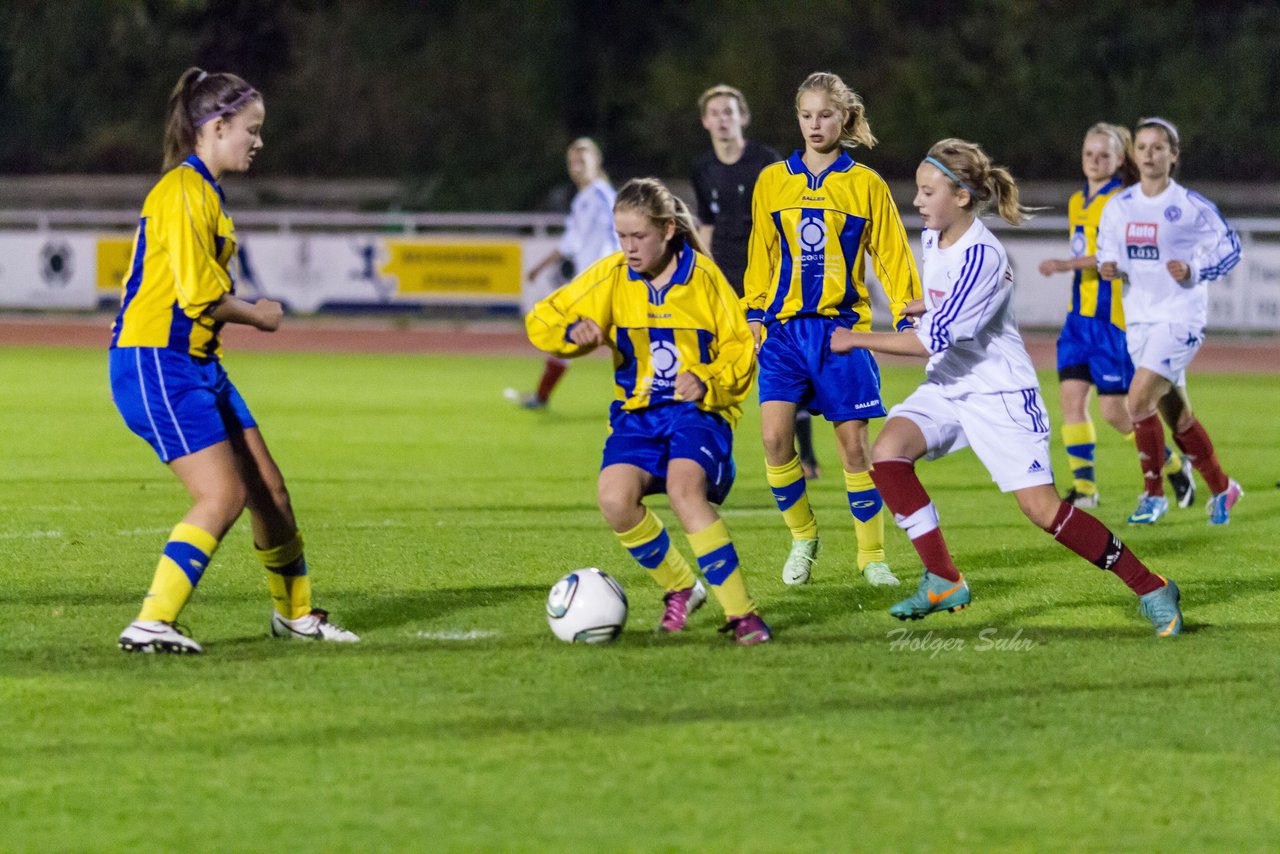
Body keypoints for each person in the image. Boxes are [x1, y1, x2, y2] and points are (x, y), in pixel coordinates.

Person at [830, 137, 1184, 637]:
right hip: (952, 383)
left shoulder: (983, 256)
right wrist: (928, 306)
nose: (917, 201)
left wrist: (854, 339)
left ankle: (1151, 586)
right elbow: (949, 314)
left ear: (961, 197)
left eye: (927, 191)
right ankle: (943, 578)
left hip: (1000, 395)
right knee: (887, 456)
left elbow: (933, 341)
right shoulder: (935, 238)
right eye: (918, 190)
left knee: (1042, 510)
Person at [111, 67, 358, 654]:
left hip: (196, 363)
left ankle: (295, 616)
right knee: (223, 496)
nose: (258, 141)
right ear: (216, 127)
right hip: (155, 362)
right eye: (251, 129)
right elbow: (199, 295)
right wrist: (259, 314)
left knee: (270, 491)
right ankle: (151, 623)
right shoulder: (179, 191)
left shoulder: (206, 193)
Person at [526, 177, 771, 645]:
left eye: (638, 236)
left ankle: (743, 615)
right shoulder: (611, 275)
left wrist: (707, 380)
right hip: (637, 416)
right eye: (621, 236)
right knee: (615, 499)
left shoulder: (704, 279)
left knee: (684, 490)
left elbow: (743, 346)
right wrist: (574, 332)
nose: (629, 247)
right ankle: (682, 587)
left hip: (699, 412)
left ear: (667, 230)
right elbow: (542, 319)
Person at [743, 71, 921, 588]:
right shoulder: (773, 180)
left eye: (825, 114)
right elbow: (761, 255)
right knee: (775, 439)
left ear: (844, 118)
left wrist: (907, 311)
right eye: (806, 115)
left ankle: (871, 557)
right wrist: (754, 312)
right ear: (797, 118)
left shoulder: (866, 185)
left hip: (841, 333)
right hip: (781, 333)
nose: (815, 124)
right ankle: (803, 538)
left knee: (852, 449)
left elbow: (891, 254)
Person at [1097, 117, 1244, 525]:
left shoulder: (1191, 206)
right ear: (1134, 155)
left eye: (1158, 147)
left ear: (1173, 155)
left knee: (1137, 399)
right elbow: (1105, 247)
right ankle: (1223, 488)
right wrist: (1107, 265)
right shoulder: (1120, 206)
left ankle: (1153, 495)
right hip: (1140, 321)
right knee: (1177, 418)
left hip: (1180, 320)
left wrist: (1195, 269)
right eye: (1142, 147)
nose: (1148, 154)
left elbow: (1230, 249)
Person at [1039, 123, 1194, 511]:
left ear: (1119, 159)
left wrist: (1065, 264)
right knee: (1071, 401)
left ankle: (1174, 465)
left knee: (1115, 413)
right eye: (1089, 154)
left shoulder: (1125, 200)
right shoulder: (1078, 200)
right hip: (1079, 320)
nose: (1094, 161)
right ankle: (1085, 490)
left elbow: (1114, 253)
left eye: (1103, 155)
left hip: (1113, 322)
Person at [691, 85, 823, 480]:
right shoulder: (701, 167)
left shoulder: (767, 162)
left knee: (780, 364)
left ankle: (809, 457)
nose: (722, 118)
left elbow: (789, 220)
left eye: (729, 111)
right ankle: (705, 454)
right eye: (715, 112)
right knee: (716, 364)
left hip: (769, 279)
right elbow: (707, 225)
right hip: (724, 277)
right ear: (705, 121)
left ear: (742, 117)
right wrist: (705, 273)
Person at [507, 137, 620, 410]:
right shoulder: (584, 198)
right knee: (578, 336)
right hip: (589, 282)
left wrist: (618, 271)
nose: (577, 166)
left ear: (597, 162)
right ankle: (541, 396)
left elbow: (618, 231)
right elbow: (569, 243)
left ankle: (541, 397)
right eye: (572, 162)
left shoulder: (602, 194)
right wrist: (539, 267)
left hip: (604, 281)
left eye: (583, 160)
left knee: (622, 338)